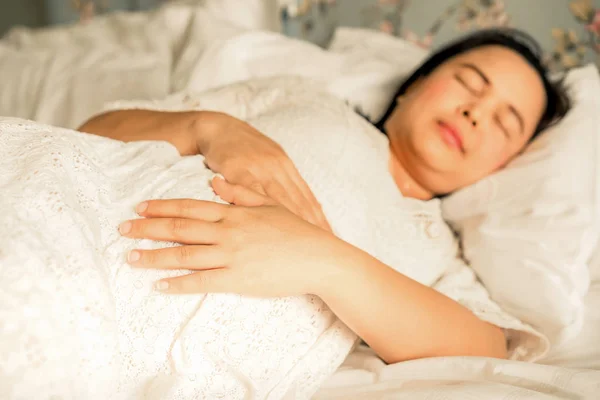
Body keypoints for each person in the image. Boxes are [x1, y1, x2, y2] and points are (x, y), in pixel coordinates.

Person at [79, 28, 571, 364]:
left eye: (505, 122)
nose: (475, 112)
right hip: (91, 218)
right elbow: (92, 133)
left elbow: (487, 348)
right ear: (416, 84)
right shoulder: (306, 98)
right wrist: (208, 127)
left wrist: (324, 261)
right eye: (468, 83)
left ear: (499, 167)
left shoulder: (439, 252)